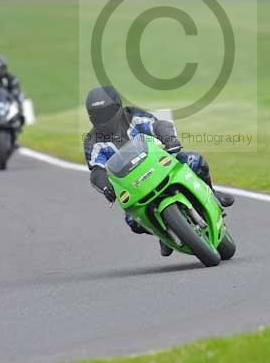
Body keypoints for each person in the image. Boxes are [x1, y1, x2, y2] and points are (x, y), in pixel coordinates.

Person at [84, 85, 234, 257]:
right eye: (98, 115)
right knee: (133, 221)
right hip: (134, 185)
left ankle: (213, 193)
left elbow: (158, 126)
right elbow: (97, 170)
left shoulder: (133, 116)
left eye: (107, 112)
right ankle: (163, 234)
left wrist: (170, 140)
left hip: (161, 165)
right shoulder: (92, 141)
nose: (104, 118)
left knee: (195, 160)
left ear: (118, 106)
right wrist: (105, 186)